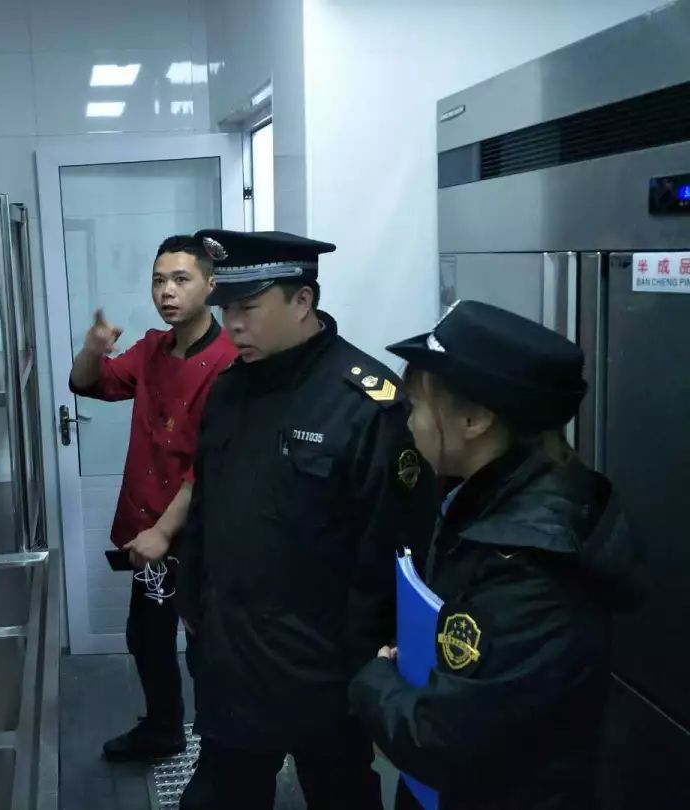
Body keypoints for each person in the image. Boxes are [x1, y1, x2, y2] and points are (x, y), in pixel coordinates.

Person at [176, 230, 437, 810]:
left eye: (248, 308)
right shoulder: (230, 390)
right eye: (226, 309)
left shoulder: (367, 403)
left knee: (341, 795)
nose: (232, 325)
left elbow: (395, 550)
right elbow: (208, 507)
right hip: (231, 659)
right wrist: (191, 602)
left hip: (323, 672)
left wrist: (368, 673)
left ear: (303, 301)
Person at [348, 300, 642, 810]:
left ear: (475, 419)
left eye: (418, 406)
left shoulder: (532, 564)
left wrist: (374, 682)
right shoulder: (481, 493)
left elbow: (440, 742)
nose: (410, 423)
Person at [70, 234, 237, 762]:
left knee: (208, 648)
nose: (167, 291)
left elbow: (209, 465)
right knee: (146, 635)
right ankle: (163, 730)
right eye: (159, 280)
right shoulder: (151, 349)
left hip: (198, 533)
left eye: (181, 280)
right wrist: (94, 349)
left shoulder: (230, 362)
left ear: (210, 285)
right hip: (147, 530)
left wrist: (166, 531)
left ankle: (222, 753)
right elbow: (86, 384)